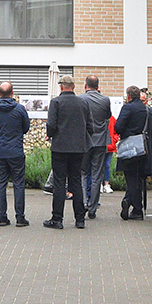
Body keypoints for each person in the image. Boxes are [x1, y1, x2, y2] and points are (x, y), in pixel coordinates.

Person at [44, 75, 93, 230]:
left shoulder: (56, 102)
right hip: (78, 148)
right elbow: (90, 126)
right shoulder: (83, 103)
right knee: (76, 181)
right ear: (73, 87)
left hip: (60, 147)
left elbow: (51, 124)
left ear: (61, 86)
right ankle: (80, 219)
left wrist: (50, 134)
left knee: (59, 183)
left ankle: (57, 219)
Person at [0, 82, 31, 227]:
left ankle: (2, 217)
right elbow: (26, 127)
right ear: (12, 93)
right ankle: (20, 217)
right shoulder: (19, 109)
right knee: (18, 184)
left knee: (0, 184)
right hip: (16, 150)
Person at [115, 85, 152, 220]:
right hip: (145, 149)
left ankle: (136, 209)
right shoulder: (148, 111)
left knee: (131, 179)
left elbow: (118, 127)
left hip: (130, 148)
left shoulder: (128, 108)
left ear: (129, 96)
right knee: (139, 179)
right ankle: (129, 202)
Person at [79, 75, 112, 220]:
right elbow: (108, 116)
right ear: (98, 86)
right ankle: (92, 208)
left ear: (85, 86)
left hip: (85, 140)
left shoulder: (80, 99)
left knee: (82, 173)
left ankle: (83, 204)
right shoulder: (105, 99)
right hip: (100, 140)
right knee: (96, 175)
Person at [101, 112, 119, 193]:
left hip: (109, 146)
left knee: (107, 165)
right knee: (101, 166)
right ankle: (100, 184)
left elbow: (116, 131)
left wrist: (114, 140)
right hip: (103, 145)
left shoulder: (112, 119)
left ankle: (106, 184)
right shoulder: (104, 117)